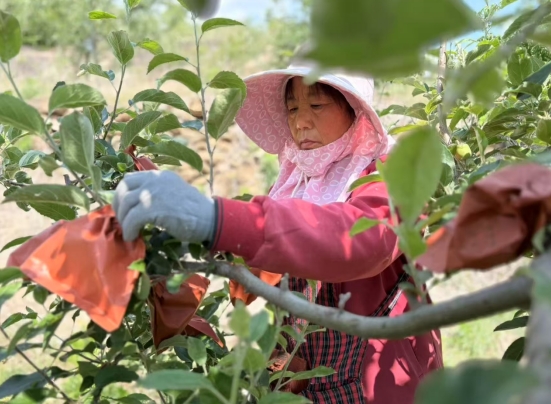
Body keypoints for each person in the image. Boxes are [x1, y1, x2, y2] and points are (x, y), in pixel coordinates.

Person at [113, 64, 443, 403]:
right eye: (293, 108)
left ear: (355, 112)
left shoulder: (389, 175)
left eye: (316, 105)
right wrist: (182, 251)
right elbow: (267, 257)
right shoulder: (295, 181)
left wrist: (215, 219)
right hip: (309, 381)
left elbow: (359, 241)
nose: (301, 122)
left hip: (382, 384)